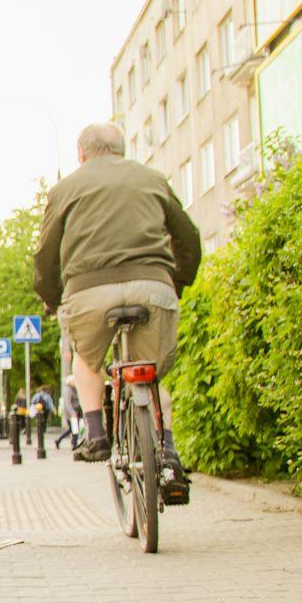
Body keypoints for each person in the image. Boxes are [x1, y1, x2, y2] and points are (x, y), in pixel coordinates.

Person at [34, 122, 201, 502]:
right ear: (122, 150)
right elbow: (188, 237)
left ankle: (95, 433)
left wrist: (52, 297)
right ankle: (169, 453)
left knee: (86, 358)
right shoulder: (153, 179)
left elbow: (45, 255)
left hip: (88, 291)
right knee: (151, 373)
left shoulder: (64, 188)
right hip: (152, 285)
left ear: (81, 154)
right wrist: (175, 283)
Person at [53, 376, 82, 450]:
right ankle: (73, 444)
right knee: (73, 429)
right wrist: (72, 413)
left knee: (74, 429)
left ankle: (71, 443)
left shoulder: (74, 389)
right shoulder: (68, 390)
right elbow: (68, 403)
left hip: (75, 411)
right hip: (70, 413)